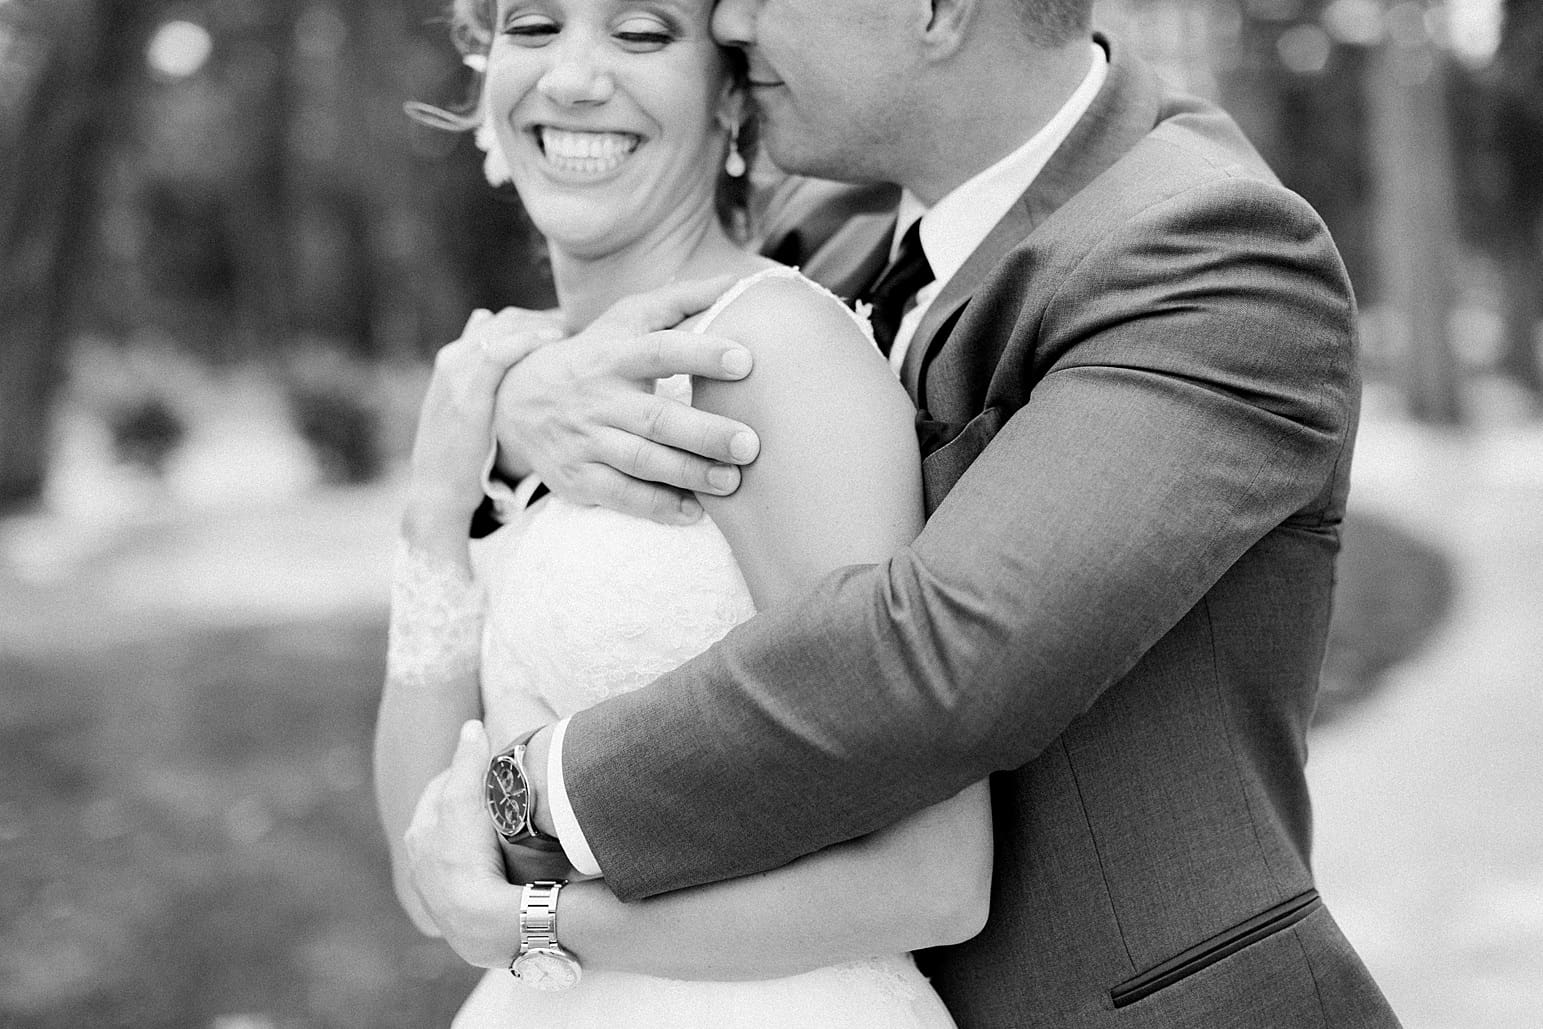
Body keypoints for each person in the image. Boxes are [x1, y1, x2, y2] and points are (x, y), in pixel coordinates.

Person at [403, 0, 1406, 1026]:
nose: (733, 19)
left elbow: (938, 657)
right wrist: (513, 404)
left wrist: (522, 800)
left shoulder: (1215, 252)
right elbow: (664, 288)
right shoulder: (835, 229)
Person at [374, 0, 989, 1024]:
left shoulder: (769, 353)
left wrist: (538, 921)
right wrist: (435, 506)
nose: (573, 78)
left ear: (731, 98)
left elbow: (932, 877)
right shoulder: (510, 391)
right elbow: (424, 872)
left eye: (641, 33)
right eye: (533, 26)